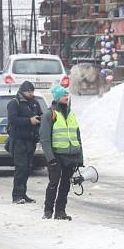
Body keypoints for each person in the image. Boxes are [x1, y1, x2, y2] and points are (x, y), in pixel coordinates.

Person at [40, 85, 83, 221]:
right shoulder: (50, 114)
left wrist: (80, 157)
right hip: (56, 155)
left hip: (71, 155)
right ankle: (48, 211)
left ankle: (60, 211)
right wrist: (50, 158)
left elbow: (77, 136)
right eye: (64, 95)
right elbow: (45, 138)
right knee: (54, 183)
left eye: (67, 95)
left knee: (65, 184)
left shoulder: (71, 114)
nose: (67, 97)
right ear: (58, 97)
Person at [7, 81, 43, 204]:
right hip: (19, 140)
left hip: (31, 140)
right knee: (21, 167)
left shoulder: (34, 103)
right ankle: (17, 195)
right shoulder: (14, 103)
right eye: (28, 91)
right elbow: (13, 120)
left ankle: (23, 193)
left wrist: (41, 120)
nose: (31, 93)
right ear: (23, 91)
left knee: (27, 168)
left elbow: (40, 115)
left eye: (32, 91)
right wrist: (29, 121)